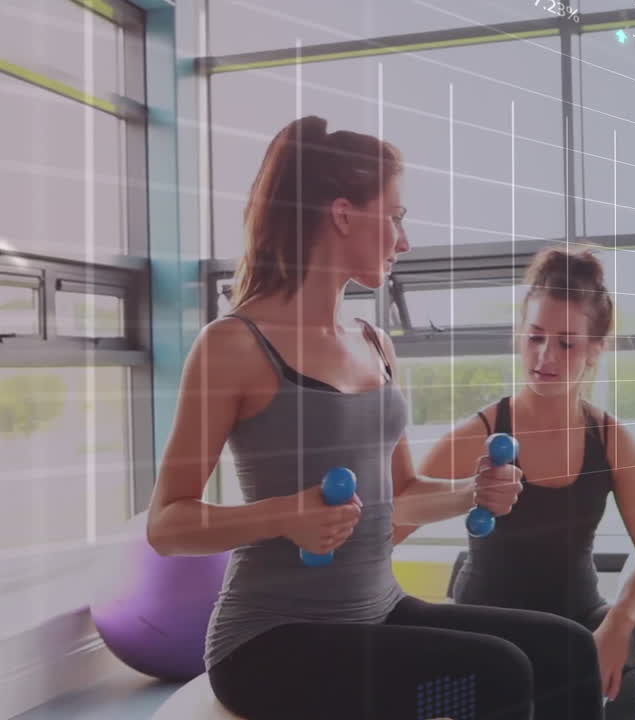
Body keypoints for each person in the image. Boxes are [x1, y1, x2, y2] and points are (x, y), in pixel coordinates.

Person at [146, 116, 604, 720]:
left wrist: (472, 494)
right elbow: (167, 525)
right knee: (501, 672)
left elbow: (401, 495)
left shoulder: (374, 343)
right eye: (395, 216)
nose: (403, 240)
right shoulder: (233, 344)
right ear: (343, 215)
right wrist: (285, 516)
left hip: (378, 608)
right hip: (269, 640)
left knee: (569, 648)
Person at [403, 246, 635, 720]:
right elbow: (394, 517)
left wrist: (619, 623)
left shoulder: (610, 440)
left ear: (595, 349)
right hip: (490, 638)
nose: (545, 356)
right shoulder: (475, 436)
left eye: (566, 343)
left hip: (579, 624)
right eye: (535, 337)